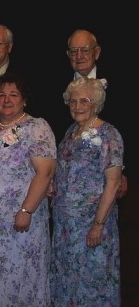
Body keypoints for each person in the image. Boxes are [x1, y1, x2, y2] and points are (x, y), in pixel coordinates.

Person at [0, 72, 56, 306]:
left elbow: (44, 173)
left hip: (20, 224)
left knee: (20, 281)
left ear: (24, 99)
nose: (7, 100)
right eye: (1, 95)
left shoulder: (36, 127)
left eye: (13, 94)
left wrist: (26, 211)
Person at [50, 77, 123, 306]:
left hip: (92, 226)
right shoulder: (70, 132)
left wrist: (98, 225)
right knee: (67, 285)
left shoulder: (109, 134)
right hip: (65, 230)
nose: (77, 106)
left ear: (96, 103)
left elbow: (113, 183)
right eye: (73, 101)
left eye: (84, 101)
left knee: (94, 285)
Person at [55, 29, 129, 197]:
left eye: (85, 50)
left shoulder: (119, 82)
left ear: (97, 52)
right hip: (65, 179)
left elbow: (127, 127)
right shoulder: (55, 84)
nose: (79, 55)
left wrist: (123, 170)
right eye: (73, 51)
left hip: (105, 175)